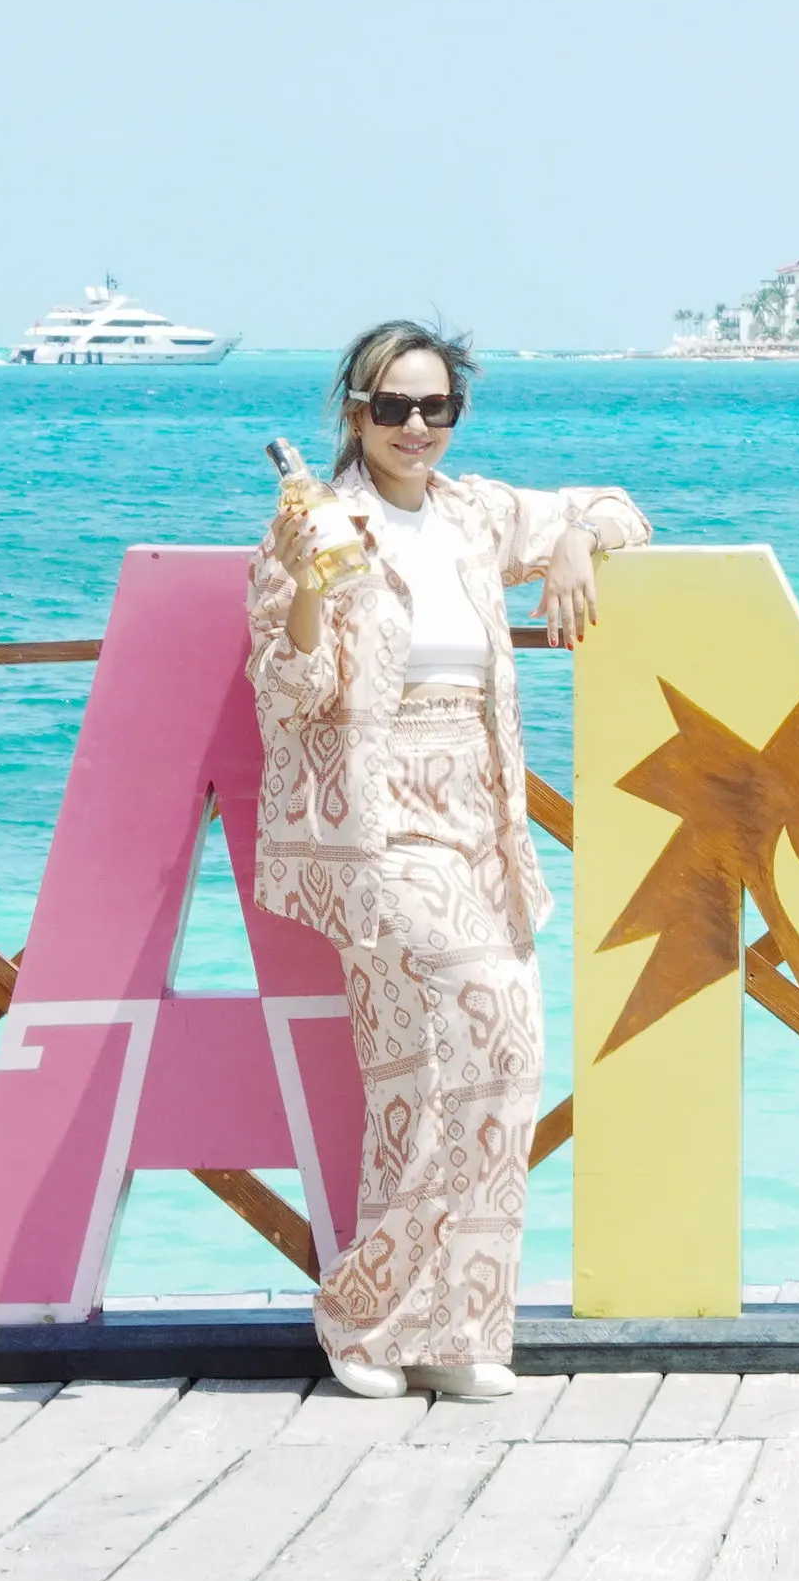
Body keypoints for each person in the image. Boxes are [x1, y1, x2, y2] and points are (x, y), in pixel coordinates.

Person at [247, 319, 650, 1400]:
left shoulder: (474, 513)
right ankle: (362, 1314)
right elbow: (288, 696)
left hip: (481, 824)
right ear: (353, 413)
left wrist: (572, 542)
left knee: (479, 1071)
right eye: (392, 408)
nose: (415, 427)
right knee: (480, 1024)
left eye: (436, 408)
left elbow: (621, 505)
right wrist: (311, 591)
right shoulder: (316, 524)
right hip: (377, 829)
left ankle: (454, 1327)